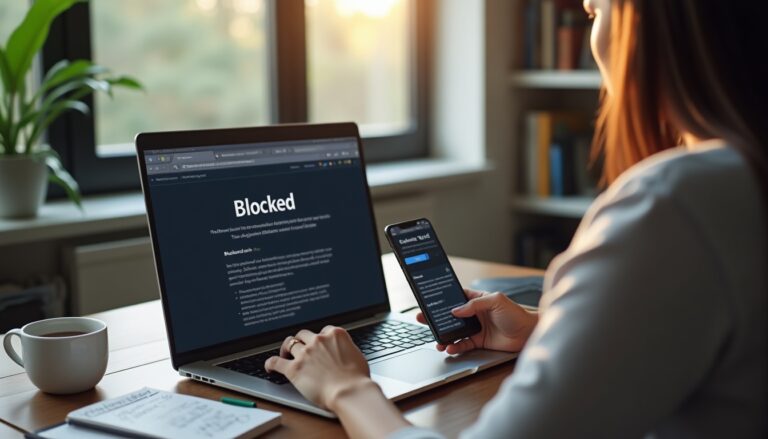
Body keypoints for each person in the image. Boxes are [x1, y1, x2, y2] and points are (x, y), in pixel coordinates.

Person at [266, 0, 768, 437]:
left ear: (648, 22)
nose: (593, 38)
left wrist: (348, 388)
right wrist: (548, 331)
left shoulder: (674, 203)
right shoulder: (737, 180)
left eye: (594, 11)